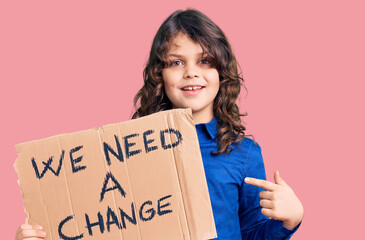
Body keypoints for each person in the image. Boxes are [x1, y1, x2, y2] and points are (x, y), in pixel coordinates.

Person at [15, 8, 303, 240]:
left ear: (221, 72)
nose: (191, 73)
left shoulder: (244, 153)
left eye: (205, 61)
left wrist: (290, 220)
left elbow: (253, 234)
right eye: (176, 63)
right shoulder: (127, 151)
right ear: (159, 75)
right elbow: (103, 224)